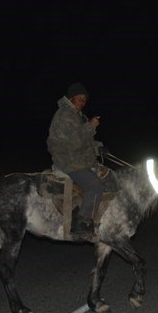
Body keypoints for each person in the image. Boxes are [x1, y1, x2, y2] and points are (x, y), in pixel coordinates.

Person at [47, 82, 104, 239]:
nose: (83, 102)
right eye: (80, 99)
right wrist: (91, 126)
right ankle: (82, 225)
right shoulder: (65, 115)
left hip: (80, 159)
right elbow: (75, 142)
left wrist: (99, 147)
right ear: (71, 99)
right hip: (68, 161)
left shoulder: (78, 116)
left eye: (84, 100)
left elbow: (85, 142)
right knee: (95, 186)